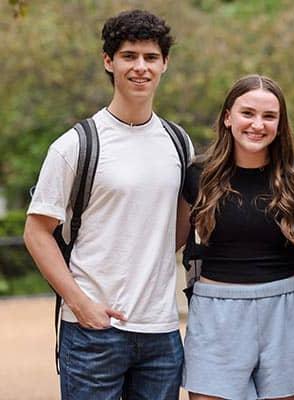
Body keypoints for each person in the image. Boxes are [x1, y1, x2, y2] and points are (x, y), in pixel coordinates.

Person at [23, 9, 193, 399]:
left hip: (161, 333)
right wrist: (80, 304)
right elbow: (36, 233)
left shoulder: (178, 142)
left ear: (164, 64)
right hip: (92, 333)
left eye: (151, 58)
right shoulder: (77, 144)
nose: (140, 67)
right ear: (108, 61)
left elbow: (180, 222)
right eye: (129, 56)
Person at [179, 74, 294, 400]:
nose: (257, 124)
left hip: (288, 309)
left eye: (269, 116)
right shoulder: (197, 175)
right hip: (216, 311)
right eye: (248, 113)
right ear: (228, 117)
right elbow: (171, 241)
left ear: (280, 123)